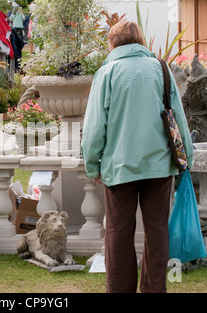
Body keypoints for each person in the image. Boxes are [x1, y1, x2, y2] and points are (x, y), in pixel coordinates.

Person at [81, 20, 194, 293]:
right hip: (159, 166)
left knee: (118, 233)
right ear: (140, 41)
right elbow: (178, 117)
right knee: (157, 232)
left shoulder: (106, 73)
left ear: (113, 43)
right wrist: (186, 157)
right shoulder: (161, 69)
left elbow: (95, 128)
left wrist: (92, 164)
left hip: (119, 168)